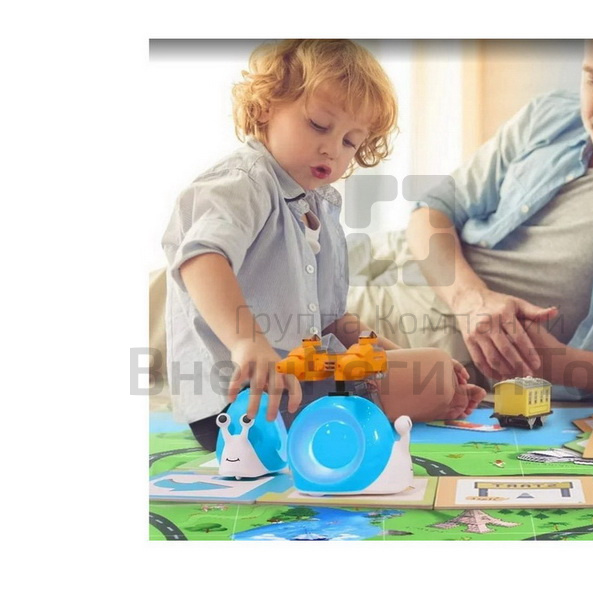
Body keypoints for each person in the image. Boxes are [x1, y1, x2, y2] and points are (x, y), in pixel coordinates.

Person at [162, 40, 485, 451]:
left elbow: (332, 321)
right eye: (318, 125)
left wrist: (401, 358)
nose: (332, 149)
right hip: (241, 398)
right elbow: (201, 259)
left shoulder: (320, 205)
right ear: (266, 107)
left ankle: (418, 394)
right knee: (431, 376)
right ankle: (404, 401)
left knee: (430, 369)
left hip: (297, 382)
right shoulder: (244, 182)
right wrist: (247, 342)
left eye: (350, 142)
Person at [348, 39, 593, 404]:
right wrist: (470, 299)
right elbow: (432, 208)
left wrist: (559, 365)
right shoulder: (550, 116)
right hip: (373, 271)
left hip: (424, 360)